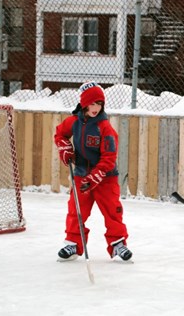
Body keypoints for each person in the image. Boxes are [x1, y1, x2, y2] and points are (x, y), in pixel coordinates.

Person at [54, 81, 132, 262]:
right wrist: (65, 148)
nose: (95, 108)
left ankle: (118, 244)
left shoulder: (105, 128)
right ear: (84, 104)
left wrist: (95, 177)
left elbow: (109, 157)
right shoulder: (74, 122)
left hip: (105, 178)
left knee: (113, 211)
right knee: (76, 210)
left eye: (99, 104)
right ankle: (73, 243)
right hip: (81, 174)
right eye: (92, 103)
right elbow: (60, 134)